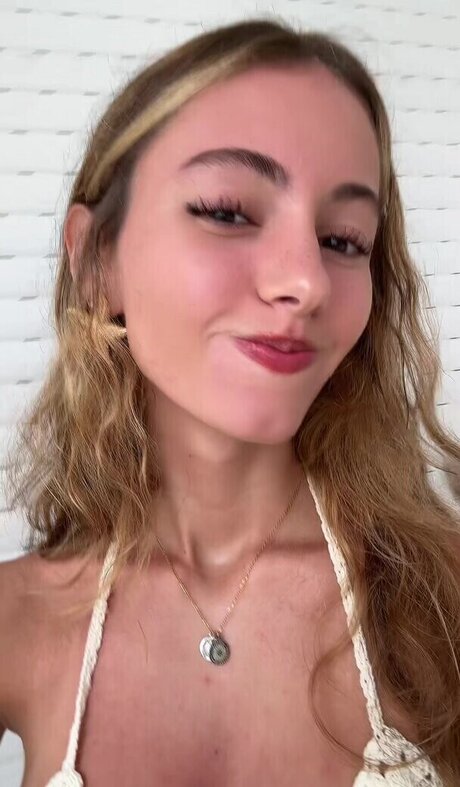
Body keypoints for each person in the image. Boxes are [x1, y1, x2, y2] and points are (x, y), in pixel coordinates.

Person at [0, 15, 459, 787]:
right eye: (227, 210)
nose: (306, 281)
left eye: (344, 239)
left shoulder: (440, 600)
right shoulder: (18, 620)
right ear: (97, 261)